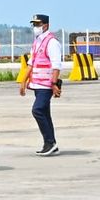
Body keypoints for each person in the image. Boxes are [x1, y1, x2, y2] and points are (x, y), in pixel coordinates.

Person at [19, 13, 63, 155]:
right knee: (44, 113)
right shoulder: (37, 41)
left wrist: (54, 84)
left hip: (47, 86)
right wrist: (23, 81)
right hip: (37, 85)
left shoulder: (52, 42)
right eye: (34, 24)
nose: (35, 27)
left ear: (46, 25)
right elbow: (30, 64)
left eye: (38, 24)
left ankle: (49, 142)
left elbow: (56, 65)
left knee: (37, 110)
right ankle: (50, 144)